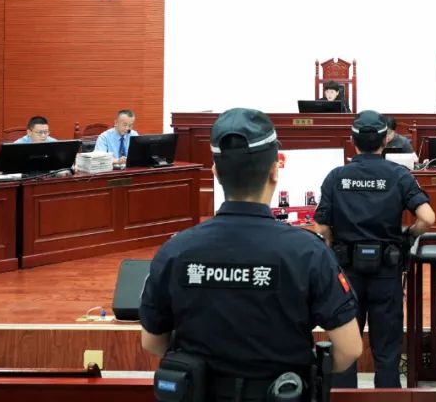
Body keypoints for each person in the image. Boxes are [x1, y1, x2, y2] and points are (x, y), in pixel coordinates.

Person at [139, 108, 363, 401]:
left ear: (216, 173)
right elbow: (349, 349)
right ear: (275, 171)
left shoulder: (175, 250)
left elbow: (152, 342)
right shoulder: (308, 252)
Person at [314, 110, 436, 388]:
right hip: (386, 272)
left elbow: (320, 225)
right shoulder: (399, 175)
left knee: (345, 348)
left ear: (352, 140)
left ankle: (344, 395)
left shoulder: (336, 176)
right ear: (386, 140)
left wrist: (333, 242)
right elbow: (427, 218)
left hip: (346, 275)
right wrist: (408, 236)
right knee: (387, 350)